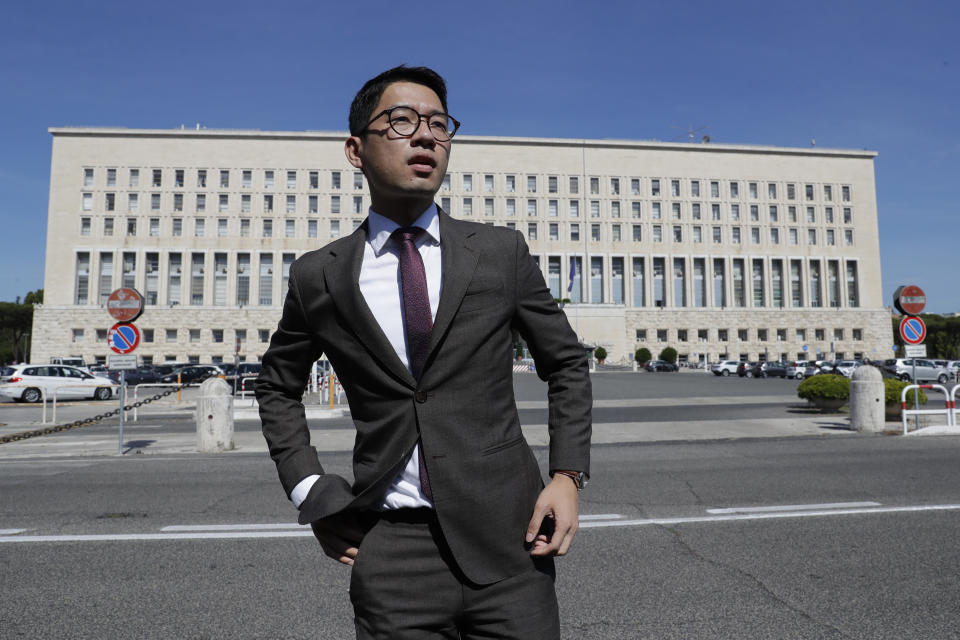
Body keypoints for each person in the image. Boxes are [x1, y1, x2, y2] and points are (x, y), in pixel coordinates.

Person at [256, 65, 592, 639]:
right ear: (355, 150)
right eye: (402, 120)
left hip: (511, 543)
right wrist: (311, 490)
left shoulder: (500, 252)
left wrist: (567, 474)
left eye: (440, 123)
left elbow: (565, 362)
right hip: (390, 552)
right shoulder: (319, 276)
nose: (427, 135)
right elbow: (277, 386)